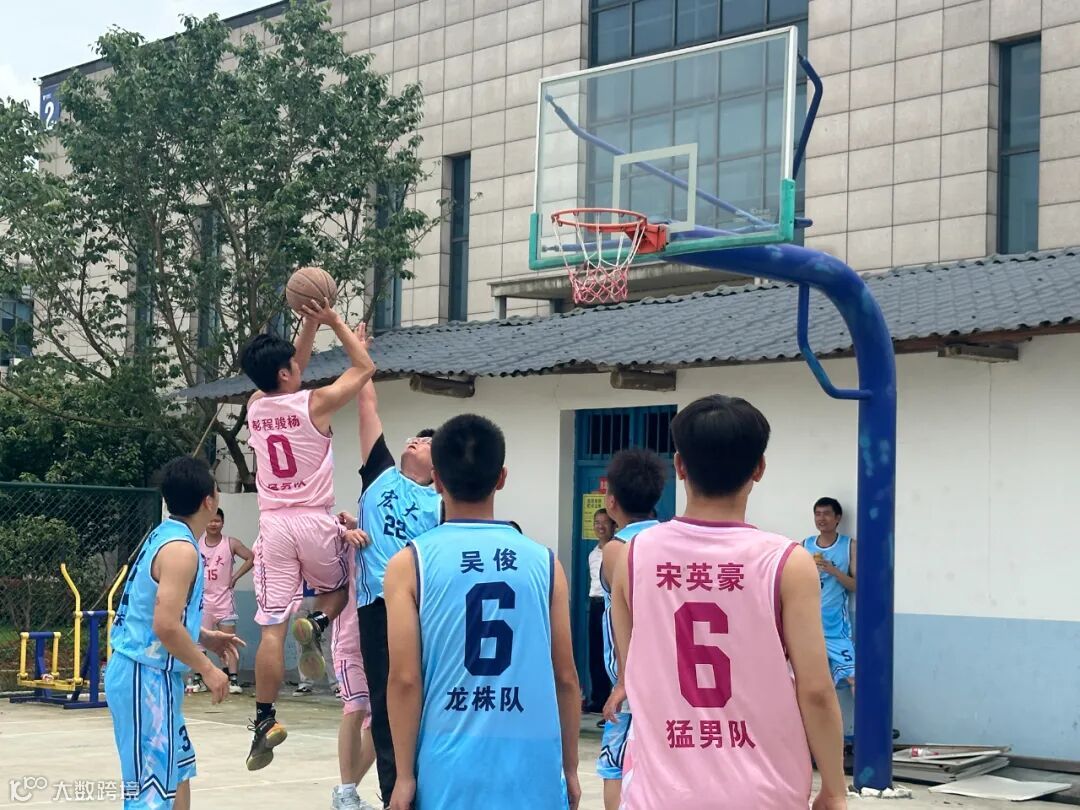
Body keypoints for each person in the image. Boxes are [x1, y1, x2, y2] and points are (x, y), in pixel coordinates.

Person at [609, 395, 847, 809]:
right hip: (764, 792)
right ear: (759, 468)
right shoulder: (788, 562)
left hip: (659, 793)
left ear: (679, 466)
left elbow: (631, 672)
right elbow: (816, 691)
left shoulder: (633, 557)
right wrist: (834, 787)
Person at [383, 414, 581, 810]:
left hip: (448, 761)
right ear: (501, 477)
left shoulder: (409, 564)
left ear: (437, 480)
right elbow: (565, 678)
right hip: (533, 763)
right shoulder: (545, 564)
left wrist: (404, 776)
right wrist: (571, 768)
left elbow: (405, 679)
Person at [240, 299, 375, 771]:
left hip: (274, 526)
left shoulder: (255, 406)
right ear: (285, 373)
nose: (301, 366)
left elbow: (287, 371)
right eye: (294, 365)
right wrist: (335, 322)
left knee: (271, 628)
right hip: (314, 521)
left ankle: (264, 718)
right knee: (340, 586)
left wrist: (308, 325)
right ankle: (318, 623)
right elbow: (364, 367)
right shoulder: (316, 403)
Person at [105, 456, 244, 809]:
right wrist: (208, 669)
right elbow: (164, 625)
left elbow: (159, 613)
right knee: (151, 791)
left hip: (153, 676)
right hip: (144, 677)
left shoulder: (166, 535)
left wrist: (205, 636)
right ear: (209, 501)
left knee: (178, 771)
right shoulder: (181, 551)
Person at [348, 379, 442, 807]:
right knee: (385, 711)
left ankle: (432, 790)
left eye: (426, 442)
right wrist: (361, 361)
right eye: (415, 437)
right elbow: (366, 403)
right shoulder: (380, 473)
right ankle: (394, 796)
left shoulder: (440, 504)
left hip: (421, 612)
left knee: (425, 704)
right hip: (375, 609)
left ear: (439, 468)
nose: (414, 441)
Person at [597, 449, 666, 810]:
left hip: (632, 677)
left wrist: (623, 680)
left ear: (611, 501)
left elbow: (629, 618)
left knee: (615, 767)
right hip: (669, 676)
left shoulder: (617, 549)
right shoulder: (670, 539)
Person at [331, 527, 379, 810]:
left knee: (377, 722)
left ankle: (346, 791)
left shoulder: (393, 546)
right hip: (349, 644)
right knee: (356, 706)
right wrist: (342, 531)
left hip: (379, 644)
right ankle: (346, 791)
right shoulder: (350, 543)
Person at [191, 508, 253, 695]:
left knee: (229, 640)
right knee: (199, 641)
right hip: (202, 600)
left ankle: (232, 678)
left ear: (223, 523)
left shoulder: (230, 543)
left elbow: (251, 557)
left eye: (217, 521)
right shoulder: (196, 542)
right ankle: (198, 678)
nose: (213, 524)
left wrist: (235, 577)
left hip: (224, 600)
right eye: (210, 520)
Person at [804, 497, 857, 693]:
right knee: (805, 683)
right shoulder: (805, 545)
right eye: (817, 514)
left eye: (826, 514)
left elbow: (856, 586)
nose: (821, 519)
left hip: (835, 627)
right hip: (807, 627)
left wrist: (833, 571)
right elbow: (793, 583)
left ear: (838, 518)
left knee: (855, 677)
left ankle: (864, 715)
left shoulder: (849, 546)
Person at [586, 508, 616, 713]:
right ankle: (598, 698)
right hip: (595, 603)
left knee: (611, 653)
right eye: (597, 522)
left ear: (614, 525)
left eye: (605, 522)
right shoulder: (592, 554)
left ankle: (612, 700)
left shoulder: (617, 550)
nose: (600, 526)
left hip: (611, 604)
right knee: (595, 652)